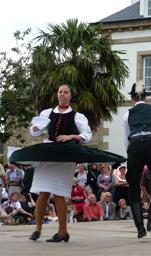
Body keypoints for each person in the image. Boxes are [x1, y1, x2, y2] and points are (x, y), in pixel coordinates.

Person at [9, 84, 125, 242]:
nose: (62, 95)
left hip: (65, 157)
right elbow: (35, 131)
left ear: (70, 96)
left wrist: (70, 136)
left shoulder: (77, 116)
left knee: (58, 194)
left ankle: (62, 231)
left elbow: (87, 135)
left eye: (65, 92)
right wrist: (36, 127)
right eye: (60, 92)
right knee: (42, 193)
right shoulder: (47, 113)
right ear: (57, 95)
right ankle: (37, 229)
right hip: (48, 156)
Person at [122, 81, 151, 238]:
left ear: (132, 98)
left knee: (133, 185)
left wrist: (131, 154)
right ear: (146, 97)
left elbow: (126, 139)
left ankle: (140, 227)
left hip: (135, 146)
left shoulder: (127, 114)